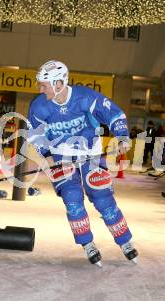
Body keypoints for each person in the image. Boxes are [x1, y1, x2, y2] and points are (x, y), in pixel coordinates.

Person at [26, 60, 138, 266]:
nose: (40, 89)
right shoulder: (39, 106)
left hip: (90, 153)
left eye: (44, 84)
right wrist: (49, 157)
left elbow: (114, 113)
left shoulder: (85, 97)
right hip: (61, 156)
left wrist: (122, 136)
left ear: (58, 84)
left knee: (102, 198)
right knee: (72, 197)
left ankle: (125, 241)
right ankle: (87, 243)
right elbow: (34, 134)